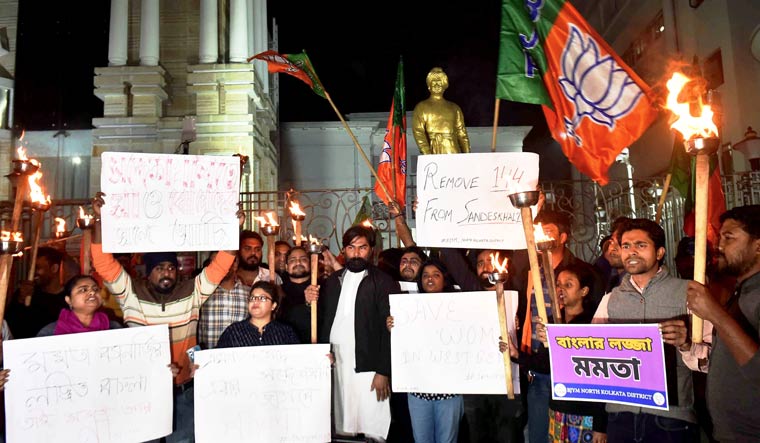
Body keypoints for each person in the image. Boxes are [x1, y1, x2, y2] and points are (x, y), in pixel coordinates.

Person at [90, 191, 240, 443]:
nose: (166, 272)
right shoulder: (130, 292)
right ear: (148, 273)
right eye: (159, 268)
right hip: (141, 393)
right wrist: (99, 220)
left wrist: (233, 227)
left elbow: (220, 266)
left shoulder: (192, 291)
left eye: (170, 267)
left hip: (184, 390)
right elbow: (103, 264)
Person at [593, 218, 707, 442]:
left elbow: (713, 360)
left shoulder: (689, 293)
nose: (631, 252)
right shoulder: (610, 300)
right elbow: (592, 355)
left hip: (671, 418)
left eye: (641, 245)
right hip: (620, 415)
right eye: (626, 246)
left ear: (660, 252)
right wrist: (554, 341)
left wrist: (687, 344)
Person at [514, 209, 602, 443]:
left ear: (564, 237)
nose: (541, 237)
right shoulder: (530, 271)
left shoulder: (585, 273)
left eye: (548, 232)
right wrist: (520, 354)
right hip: (540, 371)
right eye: (538, 233)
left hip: (576, 387)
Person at [318, 225, 399, 441]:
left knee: (372, 423)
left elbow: (390, 330)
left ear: (371, 249)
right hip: (336, 360)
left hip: (368, 363)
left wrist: (383, 371)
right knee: (341, 421)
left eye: (362, 247)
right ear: (344, 250)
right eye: (351, 247)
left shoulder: (383, 282)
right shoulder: (332, 282)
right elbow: (322, 319)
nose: (356, 253)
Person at [686, 205, 760, 441]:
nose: (718, 246)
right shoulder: (741, 292)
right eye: (720, 237)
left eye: (729, 238)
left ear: (758, 246)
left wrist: (715, 314)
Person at [387, 259, 464, 443]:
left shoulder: (460, 307)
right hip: (418, 391)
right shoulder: (410, 308)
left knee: (448, 440)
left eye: (436, 275)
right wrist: (394, 328)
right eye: (425, 275)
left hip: (449, 392)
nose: (430, 279)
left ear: (444, 279)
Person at [537, 264, 607, 443]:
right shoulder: (553, 322)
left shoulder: (593, 325)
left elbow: (601, 378)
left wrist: (600, 425)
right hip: (558, 409)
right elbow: (545, 366)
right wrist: (515, 353)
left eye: (568, 285)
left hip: (585, 413)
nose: (561, 290)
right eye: (558, 284)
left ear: (584, 291)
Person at [198, 230, 280, 350]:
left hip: (242, 358)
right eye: (216, 264)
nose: (222, 268)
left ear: (235, 263)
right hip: (207, 358)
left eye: (257, 249)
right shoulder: (201, 292)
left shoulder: (249, 294)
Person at [5, 247, 67, 338]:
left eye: (37, 268)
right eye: (31, 268)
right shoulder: (27, 293)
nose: (33, 272)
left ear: (54, 268)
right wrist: (20, 300)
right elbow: (9, 326)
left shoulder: (68, 298)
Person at [216, 281, 299, 347]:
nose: (255, 301)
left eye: (262, 298)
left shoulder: (285, 332)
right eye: (252, 298)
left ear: (273, 306)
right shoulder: (233, 332)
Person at [37, 275, 122, 336]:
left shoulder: (113, 328)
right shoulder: (50, 332)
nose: (92, 292)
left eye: (95, 289)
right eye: (83, 290)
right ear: (69, 300)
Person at [411, 67, 471, 155]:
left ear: (444, 85)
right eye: (433, 82)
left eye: (439, 82)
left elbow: (462, 133)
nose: (436, 85)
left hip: (453, 151)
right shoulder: (421, 107)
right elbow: (419, 133)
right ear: (429, 85)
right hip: (433, 150)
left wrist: (467, 155)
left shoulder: (454, 108)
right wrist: (427, 154)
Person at [279, 246, 318, 343]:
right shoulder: (278, 291)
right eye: (292, 260)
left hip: (317, 346)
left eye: (303, 259)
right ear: (286, 267)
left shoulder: (322, 286)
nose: (298, 263)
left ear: (311, 264)